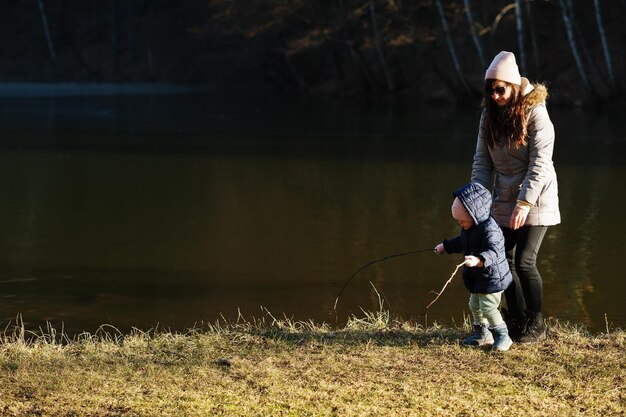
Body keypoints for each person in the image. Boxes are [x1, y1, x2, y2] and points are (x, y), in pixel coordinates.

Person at [471, 51, 560, 343]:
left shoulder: (535, 112)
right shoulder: (488, 116)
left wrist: (524, 203)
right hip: (503, 199)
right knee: (500, 259)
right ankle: (515, 317)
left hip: (538, 196)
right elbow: (482, 162)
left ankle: (537, 323)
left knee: (524, 261)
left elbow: (540, 162)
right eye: (490, 89)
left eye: (500, 89)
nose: (495, 95)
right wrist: (476, 204)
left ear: (513, 86)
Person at [435, 182, 513, 351]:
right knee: (474, 305)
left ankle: (503, 336)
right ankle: (482, 333)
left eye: (462, 220)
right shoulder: (470, 227)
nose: (460, 224)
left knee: (488, 307)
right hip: (478, 278)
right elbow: (461, 242)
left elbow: (494, 252)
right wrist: (445, 246)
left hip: (492, 277)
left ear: (474, 214)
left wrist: (479, 261)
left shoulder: (490, 230)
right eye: (458, 221)